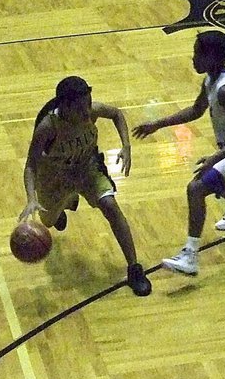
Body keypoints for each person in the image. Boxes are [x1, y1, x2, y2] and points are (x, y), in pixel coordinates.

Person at [133, 30, 225, 276]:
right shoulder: (213, 78)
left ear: (213, 57)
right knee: (217, 177)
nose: (193, 59)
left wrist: (215, 158)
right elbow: (196, 111)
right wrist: (157, 124)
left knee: (196, 188)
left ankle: (190, 256)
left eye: (197, 54)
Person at [18, 76, 151, 297]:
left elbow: (117, 113)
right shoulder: (47, 128)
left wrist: (126, 145)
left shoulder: (92, 111)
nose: (87, 112)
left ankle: (134, 269)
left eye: (89, 104)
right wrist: (32, 199)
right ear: (65, 107)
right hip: (55, 176)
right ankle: (67, 201)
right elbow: (31, 165)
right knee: (48, 222)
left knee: (110, 206)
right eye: (81, 108)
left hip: (87, 167)